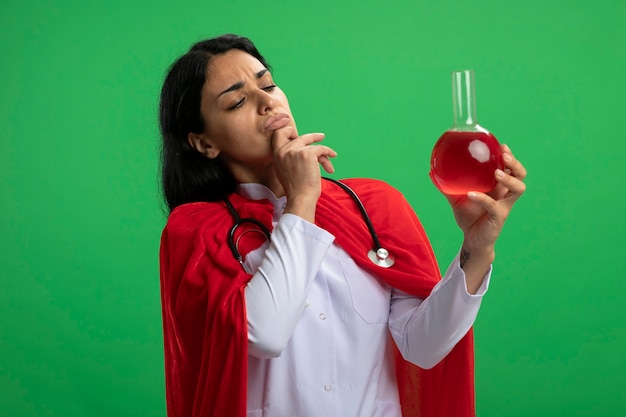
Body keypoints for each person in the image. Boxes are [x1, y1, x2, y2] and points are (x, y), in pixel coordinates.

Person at [157, 34, 527, 417]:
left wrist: (477, 248)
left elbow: (423, 346)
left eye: (267, 84)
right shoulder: (196, 232)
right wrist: (302, 200)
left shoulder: (373, 206)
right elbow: (263, 333)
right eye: (237, 101)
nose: (268, 102)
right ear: (204, 144)